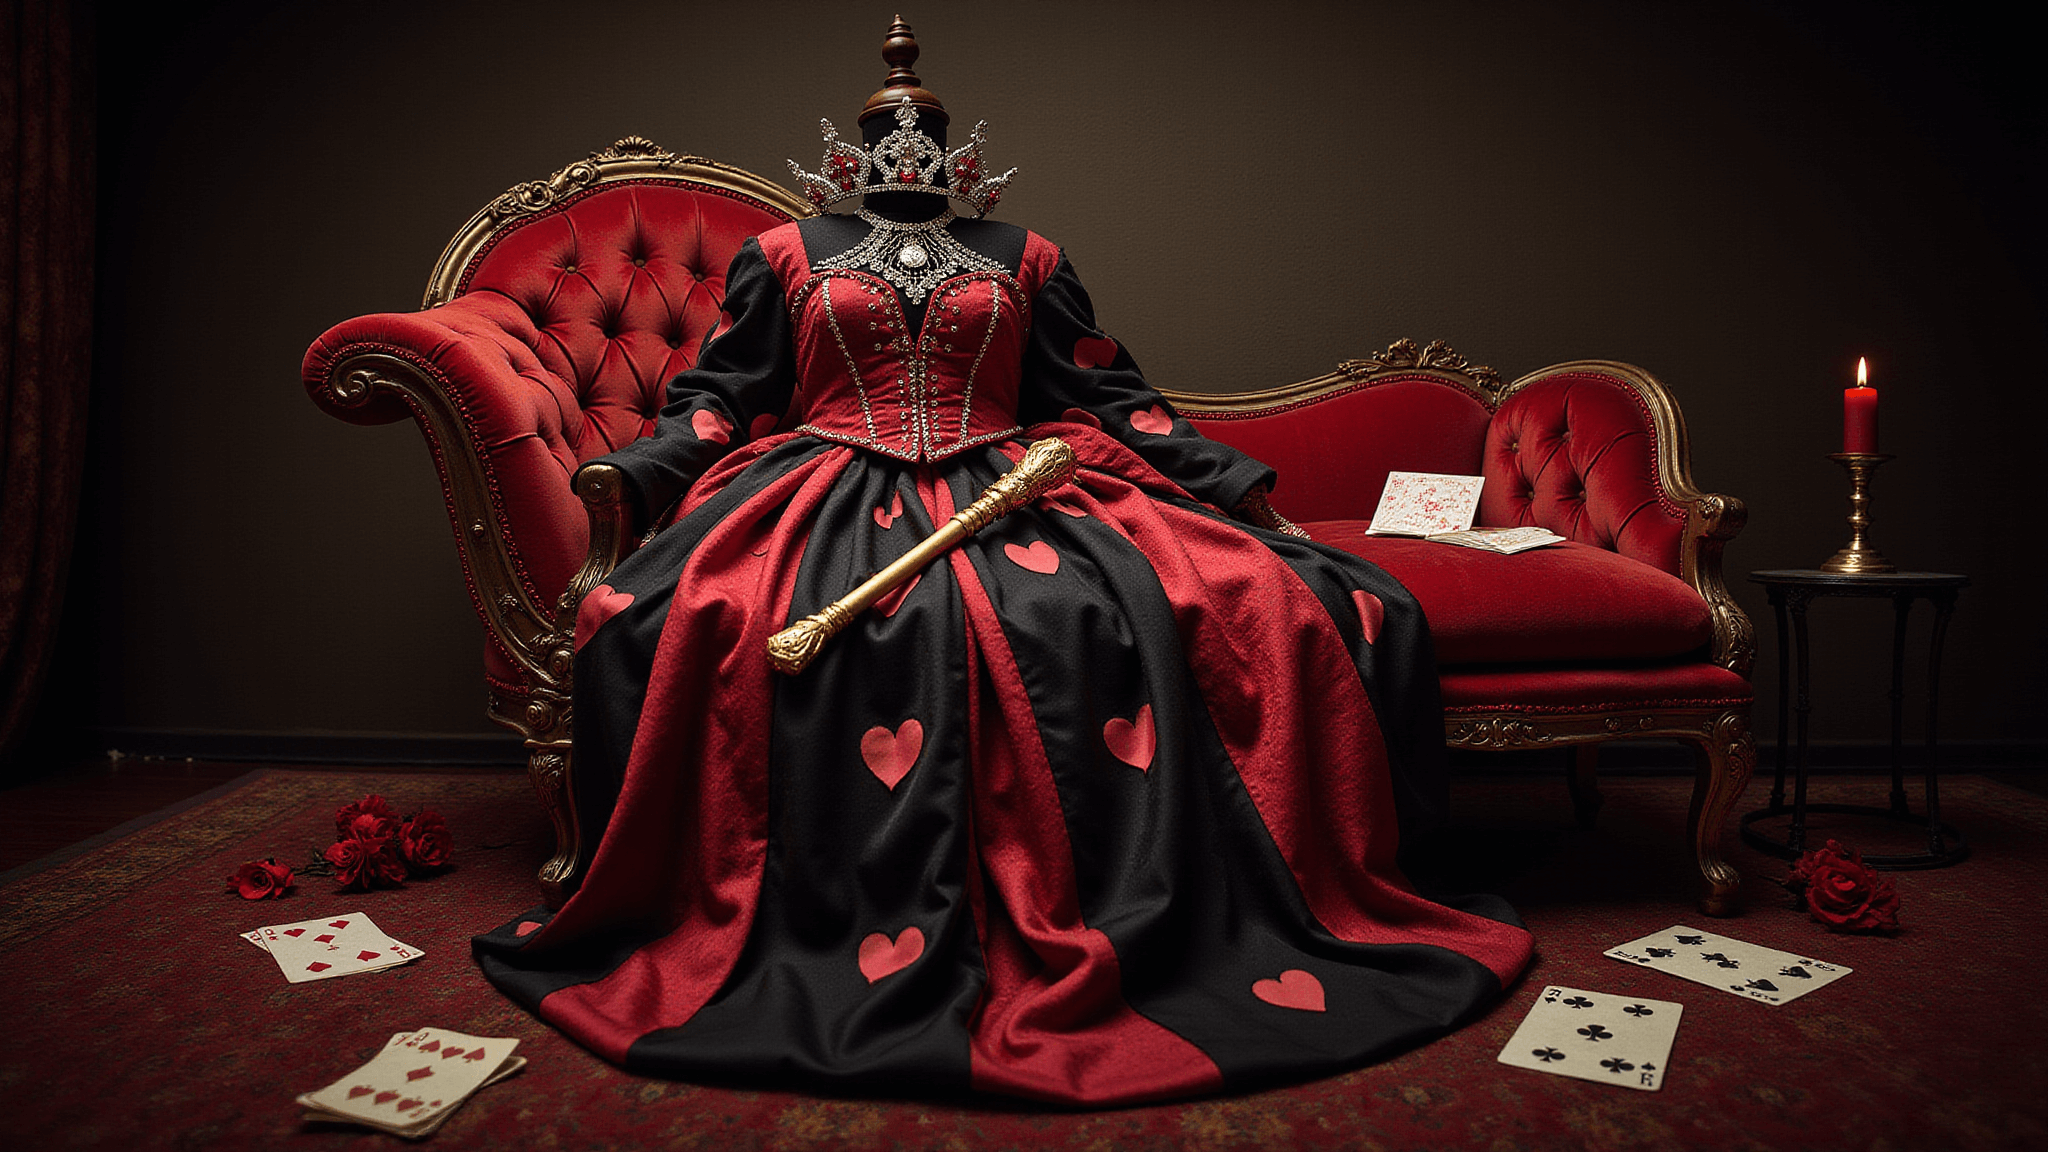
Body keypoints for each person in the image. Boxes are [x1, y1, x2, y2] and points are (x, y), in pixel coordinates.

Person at [475, 21, 1532, 1106]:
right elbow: (725, 396)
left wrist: (1224, 481)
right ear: (859, 145)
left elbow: (1104, 395)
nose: (905, 146)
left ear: (947, 146)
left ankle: (1133, 896)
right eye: (889, 133)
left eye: (920, 133)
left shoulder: (1026, 255)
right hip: (826, 482)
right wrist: (642, 475)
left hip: (1014, 479)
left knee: (1166, 605)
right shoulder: (785, 256)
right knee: (693, 610)